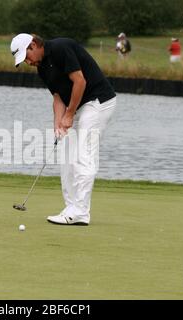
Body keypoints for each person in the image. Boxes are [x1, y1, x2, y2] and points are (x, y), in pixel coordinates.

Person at [10, 33, 117, 226]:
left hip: (98, 102)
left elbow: (80, 81)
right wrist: (58, 122)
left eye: (26, 57)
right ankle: (71, 208)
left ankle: (81, 213)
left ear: (33, 45)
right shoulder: (41, 68)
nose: (27, 62)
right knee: (67, 155)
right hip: (78, 106)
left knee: (83, 155)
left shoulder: (61, 48)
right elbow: (58, 97)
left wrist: (69, 115)